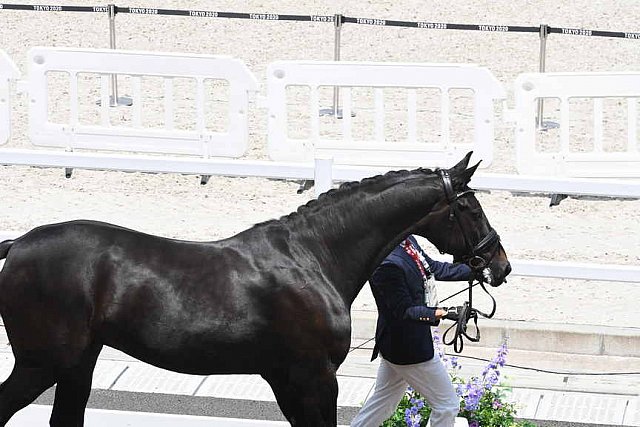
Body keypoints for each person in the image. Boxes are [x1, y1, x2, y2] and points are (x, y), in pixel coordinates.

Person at [350, 235, 472, 427]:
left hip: (398, 346)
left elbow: (433, 268)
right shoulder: (386, 263)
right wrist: (445, 313)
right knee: (447, 405)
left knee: (383, 404)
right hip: (408, 348)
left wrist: (474, 271)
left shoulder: (407, 241)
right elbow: (404, 310)